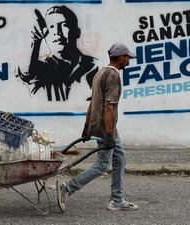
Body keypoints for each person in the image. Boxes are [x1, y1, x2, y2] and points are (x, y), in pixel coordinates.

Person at [57, 43, 138, 211]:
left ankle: (117, 198)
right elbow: (109, 107)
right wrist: (108, 134)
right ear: (120, 57)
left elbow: (92, 103)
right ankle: (68, 188)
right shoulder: (113, 75)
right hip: (106, 128)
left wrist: (87, 128)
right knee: (102, 164)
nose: (128, 61)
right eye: (127, 57)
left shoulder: (100, 72)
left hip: (102, 127)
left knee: (119, 158)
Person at [17, 5, 98, 101]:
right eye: (51, 26)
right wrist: (36, 43)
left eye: (64, 25)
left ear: (77, 32)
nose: (57, 32)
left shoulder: (93, 67)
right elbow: (27, 75)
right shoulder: (43, 67)